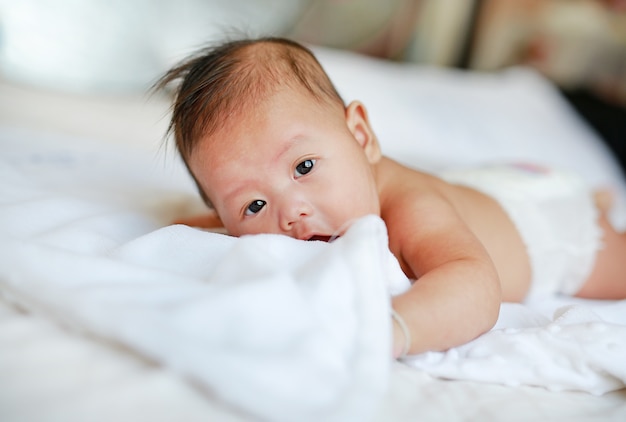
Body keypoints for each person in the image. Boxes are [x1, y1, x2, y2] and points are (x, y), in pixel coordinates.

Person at [155, 36, 626, 359]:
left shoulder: (410, 210)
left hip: (547, 223)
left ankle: (595, 206)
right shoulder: (315, 205)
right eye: (253, 205)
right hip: (480, 190)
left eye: (303, 168)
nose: (291, 212)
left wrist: (395, 329)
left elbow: (475, 286)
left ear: (361, 135)